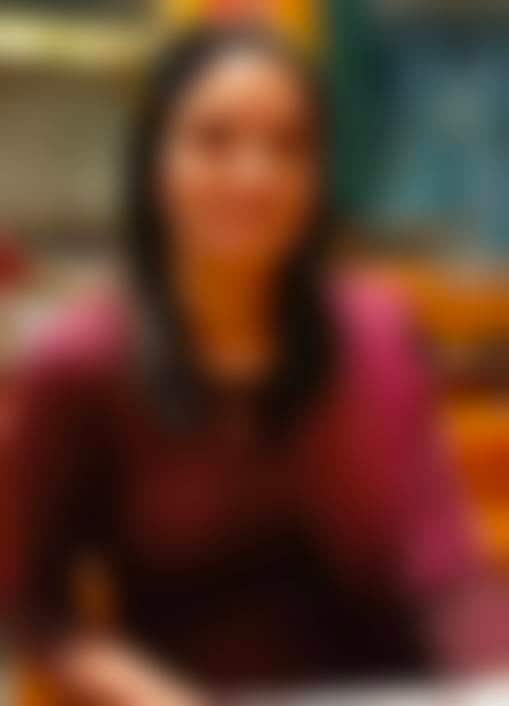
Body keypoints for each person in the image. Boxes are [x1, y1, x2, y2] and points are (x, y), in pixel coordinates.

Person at [3, 26, 505, 706]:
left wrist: (492, 678)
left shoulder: (377, 333)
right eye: (215, 140)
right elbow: (35, 609)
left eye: (288, 146)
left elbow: (440, 564)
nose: (254, 175)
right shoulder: (80, 363)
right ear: (154, 160)